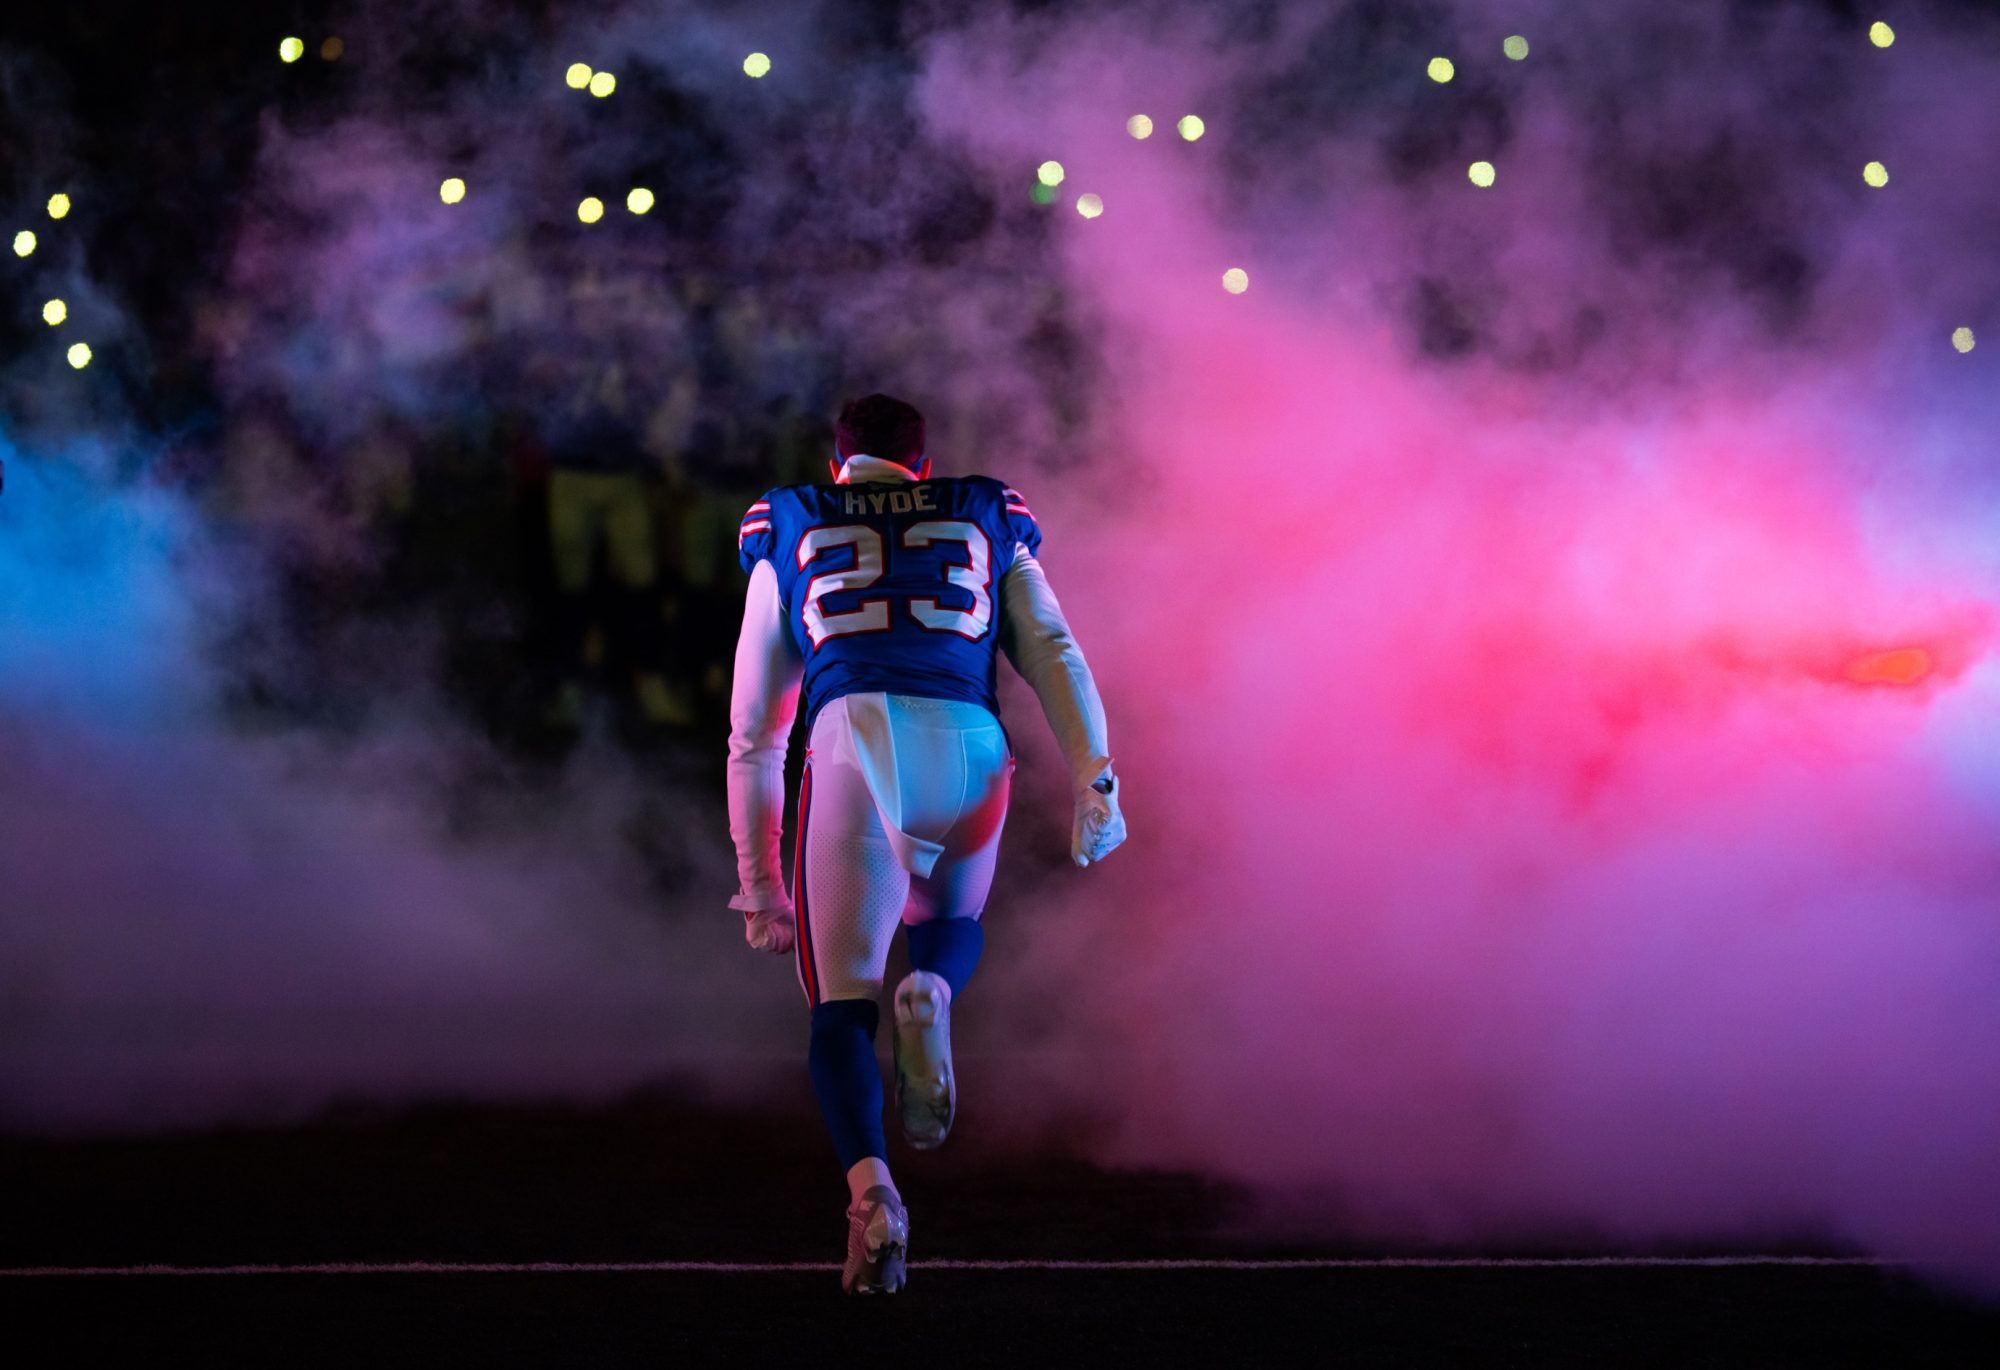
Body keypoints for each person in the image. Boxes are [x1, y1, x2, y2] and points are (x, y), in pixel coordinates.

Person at [727, 393, 1125, 1295]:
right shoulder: (983, 507)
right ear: (920, 460)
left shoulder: (791, 517)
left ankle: (874, 1200)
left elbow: (755, 726)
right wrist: (1094, 772)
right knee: (952, 917)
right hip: (969, 739)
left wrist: (758, 879)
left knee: (839, 1008)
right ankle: (935, 986)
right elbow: (1053, 647)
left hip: (850, 738)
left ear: (839, 461)